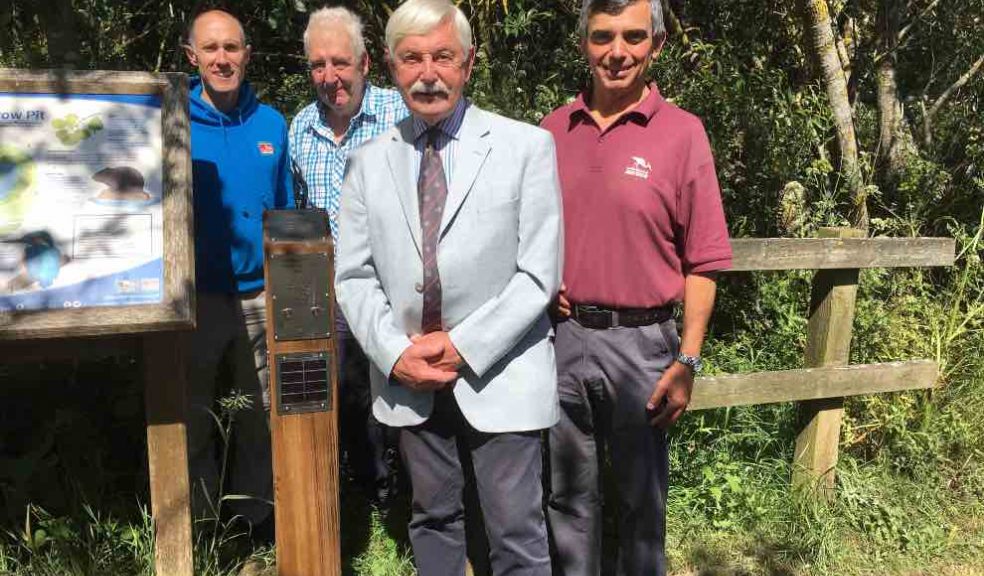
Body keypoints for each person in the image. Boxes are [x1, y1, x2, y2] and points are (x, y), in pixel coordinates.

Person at [334, 0, 563, 574]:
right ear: (389, 65)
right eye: (411, 58)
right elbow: (354, 276)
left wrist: (462, 347)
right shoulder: (366, 163)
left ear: (469, 63)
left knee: (515, 533)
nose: (428, 73)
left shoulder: (525, 148)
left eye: (443, 56)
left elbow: (538, 274)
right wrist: (394, 353)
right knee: (432, 521)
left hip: (503, 370)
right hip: (410, 377)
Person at [539, 0, 732, 574]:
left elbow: (705, 260)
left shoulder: (682, 135)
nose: (616, 52)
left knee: (640, 504)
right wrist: (543, 284)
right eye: (602, 37)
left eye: (632, 37)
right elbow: (524, 235)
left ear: (657, 45)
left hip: (644, 349)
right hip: (562, 342)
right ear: (584, 44)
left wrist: (688, 360)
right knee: (567, 499)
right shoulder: (551, 130)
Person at [288, 6, 408, 506]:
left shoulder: (400, 115)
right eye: (318, 65)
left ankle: (415, 489)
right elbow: (296, 209)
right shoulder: (300, 129)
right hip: (331, 290)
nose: (330, 76)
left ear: (364, 63)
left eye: (340, 62)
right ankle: (371, 484)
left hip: (395, 286)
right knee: (346, 390)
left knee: (403, 384)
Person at [182, 7, 292, 529]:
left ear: (247, 55)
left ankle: (254, 524)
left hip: (258, 296)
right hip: (194, 299)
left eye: (232, 48)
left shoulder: (271, 123)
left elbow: (286, 210)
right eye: (211, 49)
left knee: (259, 419)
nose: (222, 59)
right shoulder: (173, 121)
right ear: (192, 56)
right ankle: (201, 527)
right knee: (195, 418)